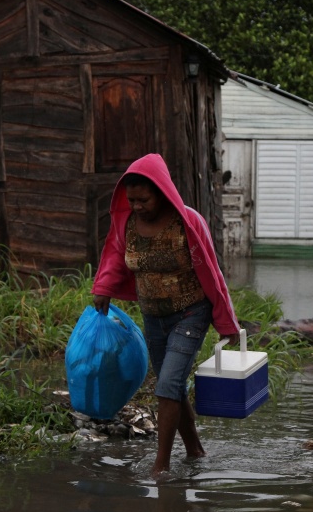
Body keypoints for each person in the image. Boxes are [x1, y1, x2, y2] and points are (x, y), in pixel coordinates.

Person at [92, 153, 240, 479]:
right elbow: (116, 256)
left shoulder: (187, 222)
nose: (138, 206)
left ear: (161, 191)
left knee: (167, 385)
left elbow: (212, 273)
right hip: (153, 317)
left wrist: (226, 323)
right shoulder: (128, 224)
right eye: (132, 200)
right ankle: (196, 451)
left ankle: (161, 467)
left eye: (144, 199)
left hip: (191, 313)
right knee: (171, 388)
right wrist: (103, 288)